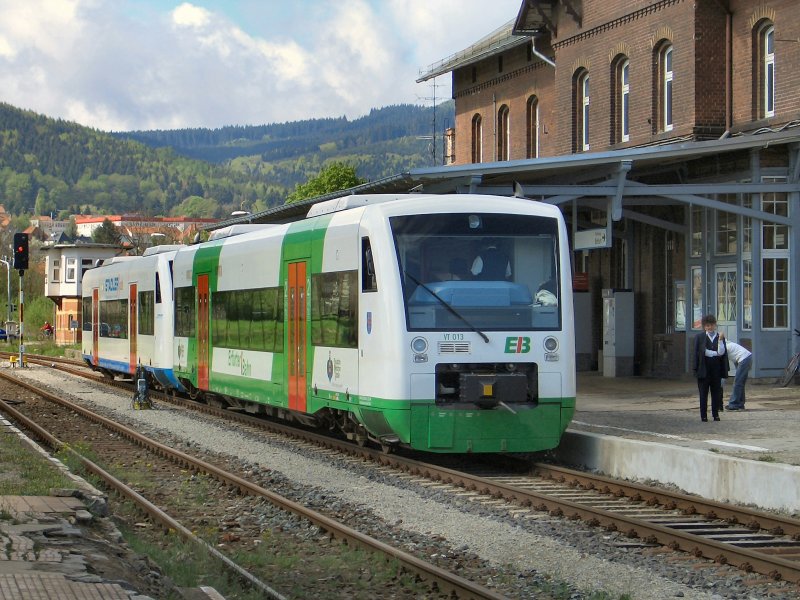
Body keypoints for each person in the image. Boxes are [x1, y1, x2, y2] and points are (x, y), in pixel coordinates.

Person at [692, 314, 728, 422]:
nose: (710, 327)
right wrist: (695, 368)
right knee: (703, 394)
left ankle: (715, 414)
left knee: (716, 393)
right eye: (707, 325)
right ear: (704, 327)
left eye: (711, 325)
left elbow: (722, 352)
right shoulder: (700, 337)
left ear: (715, 325)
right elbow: (699, 353)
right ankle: (703, 415)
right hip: (704, 369)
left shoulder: (719, 337)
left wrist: (720, 341)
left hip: (716, 370)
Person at [724, 338, 752, 411]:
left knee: (737, 382)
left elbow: (722, 360)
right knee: (740, 383)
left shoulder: (725, 347)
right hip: (745, 358)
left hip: (743, 359)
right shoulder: (729, 344)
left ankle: (734, 404)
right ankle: (740, 404)